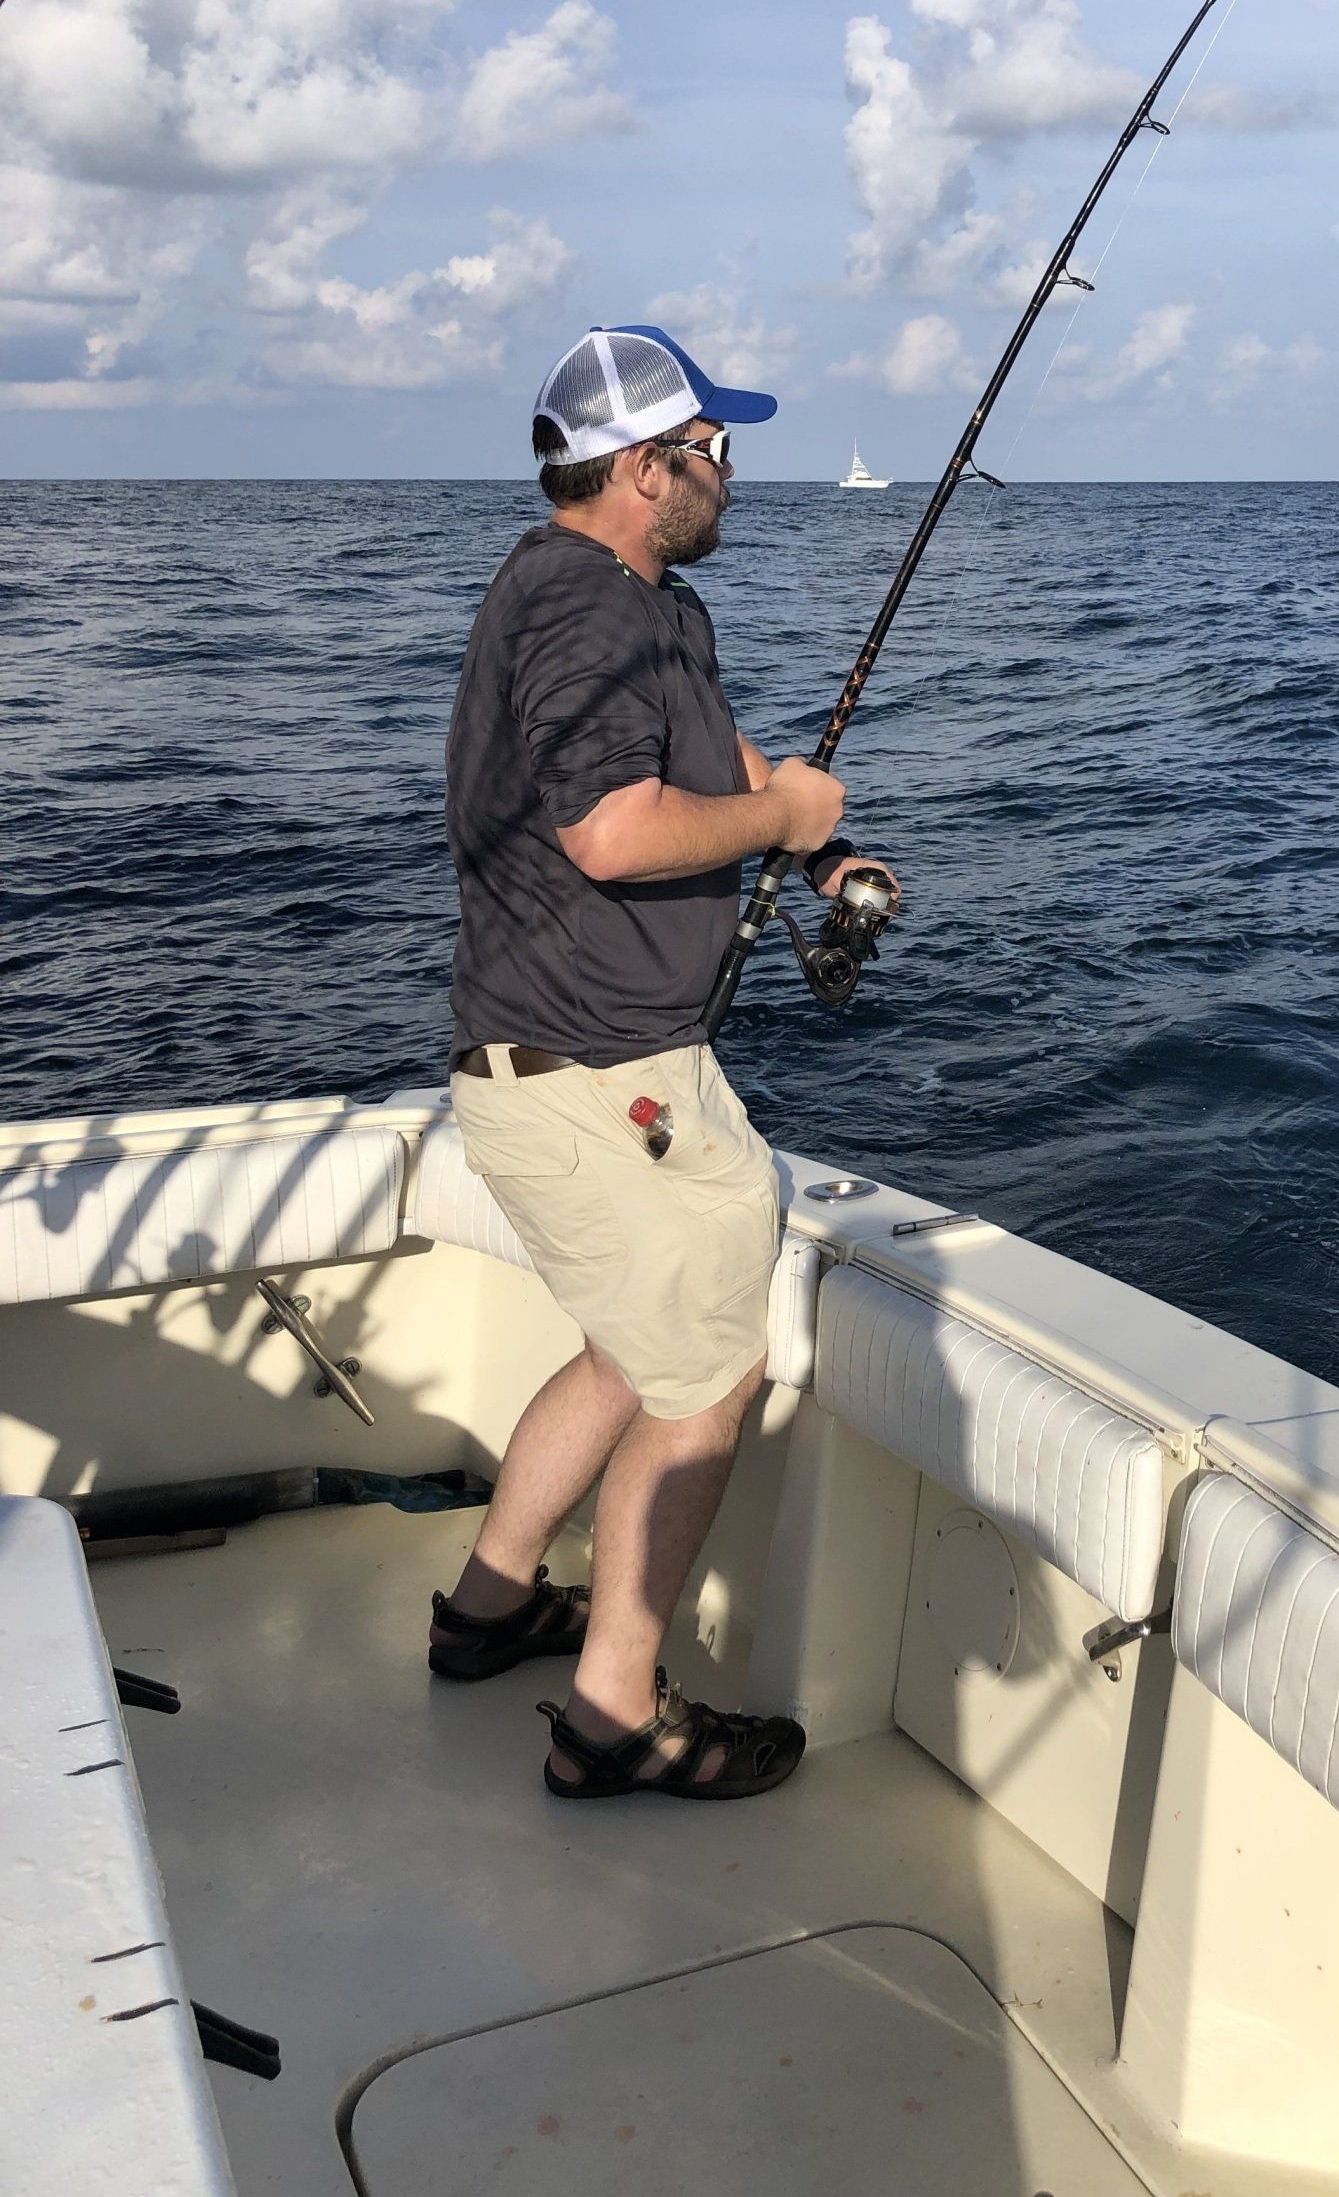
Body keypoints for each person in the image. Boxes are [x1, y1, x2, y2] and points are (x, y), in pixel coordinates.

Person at [428, 323, 897, 1803]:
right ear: (644, 469)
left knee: (634, 1351)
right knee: (708, 1374)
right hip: (584, 1081)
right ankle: (614, 1713)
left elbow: (722, 764)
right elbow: (614, 833)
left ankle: (491, 1606)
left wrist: (811, 841)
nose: (730, 472)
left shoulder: (651, 607)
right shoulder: (584, 613)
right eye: (712, 450)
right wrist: (770, 826)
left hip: (611, 1072)